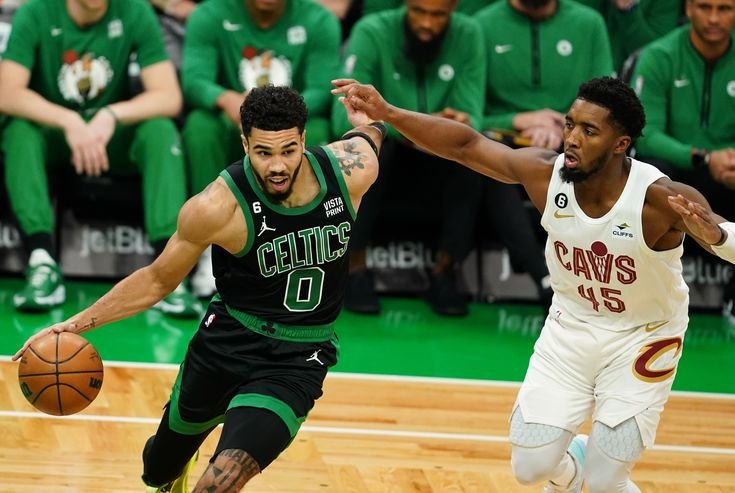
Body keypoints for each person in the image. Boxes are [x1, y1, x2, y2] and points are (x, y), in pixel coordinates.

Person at [332, 76, 735, 492]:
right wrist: (388, 113)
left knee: (605, 482)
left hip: (645, 336)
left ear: (621, 143)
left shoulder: (658, 198)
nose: (573, 139)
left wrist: (718, 237)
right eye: (570, 125)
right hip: (571, 326)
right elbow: (465, 147)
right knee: (530, 469)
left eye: (589, 130)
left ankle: (595, 477)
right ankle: (572, 472)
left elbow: (726, 235)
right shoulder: (546, 174)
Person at [13, 85, 383, 493]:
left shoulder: (352, 170)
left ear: (303, 139)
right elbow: (158, 279)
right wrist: (73, 325)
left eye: (288, 150)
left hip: (297, 358)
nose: (277, 166)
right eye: (263, 152)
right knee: (158, 469)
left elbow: (369, 137)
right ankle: (172, 465)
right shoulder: (216, 207)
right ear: (244, 143)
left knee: (222, 479)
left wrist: (371, 120)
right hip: (225, 344)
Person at [0, 0, 198, 316]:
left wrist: (110, 115)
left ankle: (168, 274)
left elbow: (168, 96)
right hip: (55, 133)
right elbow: (6, 92)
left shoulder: (134, 10)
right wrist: (68, 120)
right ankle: (41, 262)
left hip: (105, 139)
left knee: (159, 131)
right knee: (19, 129)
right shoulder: (36, 11)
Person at [331, 0, 485, 316]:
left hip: (439, 161)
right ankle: (354, 270)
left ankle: (445, 274)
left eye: (438, 14)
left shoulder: (469, 34)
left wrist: (460, 122)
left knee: (475, 157)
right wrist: (419, 126)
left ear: (453, 9)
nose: (426, 24)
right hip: (389, 155)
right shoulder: (371, 31)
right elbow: (342, 118)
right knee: (371, 149)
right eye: (419, 11)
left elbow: (474, 116)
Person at [180, 0, 342, 299]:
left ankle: (301, 247)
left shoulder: (320, 21)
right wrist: (227, 99)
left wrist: (279, 116)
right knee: (201, 126)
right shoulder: (209, 14)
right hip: (235, 121)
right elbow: (194, 81)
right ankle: (209, 248)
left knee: (317, 131)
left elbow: (323, 88)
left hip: (290, 124)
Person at [630, 0, 735, 323]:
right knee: (649, 170)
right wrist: (704, 157)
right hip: (679, 170)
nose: (714, 18)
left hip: (729, 169)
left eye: (725, 8)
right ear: (688, 9)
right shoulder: (659, 56)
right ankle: (641, 293)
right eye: (705, 7)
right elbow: (647, 132)